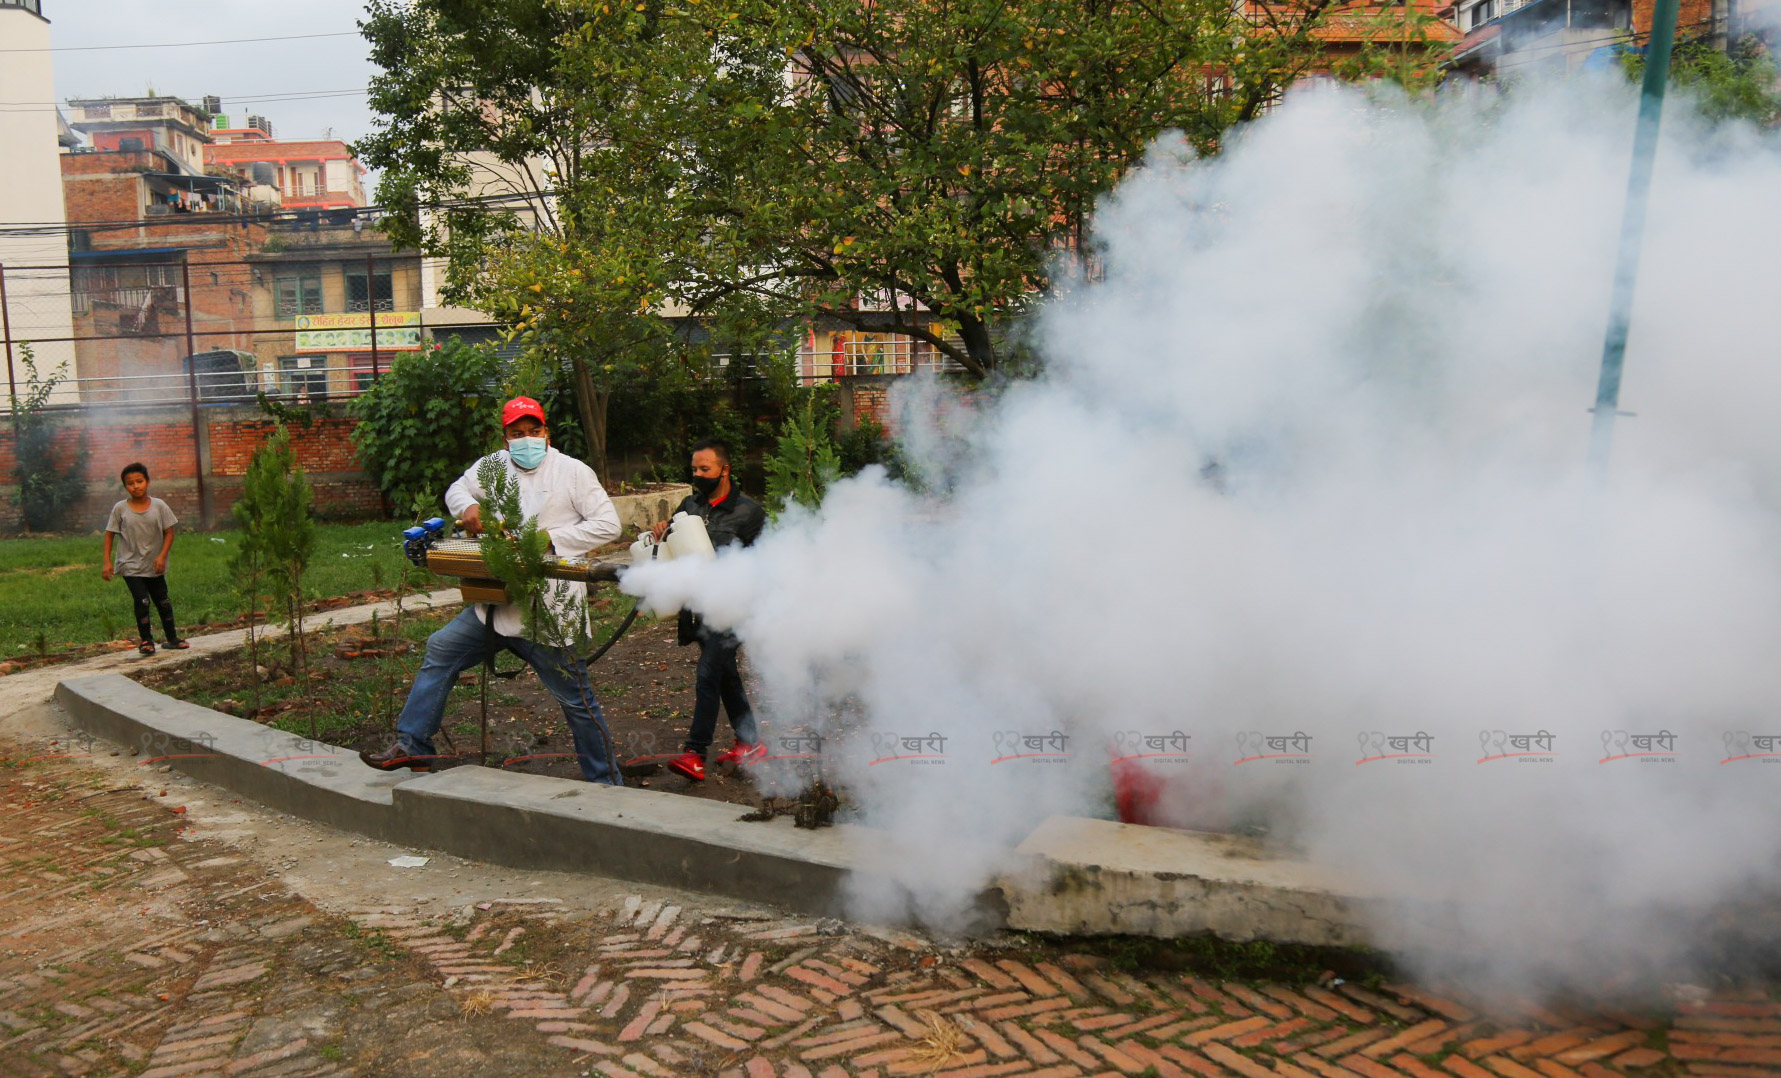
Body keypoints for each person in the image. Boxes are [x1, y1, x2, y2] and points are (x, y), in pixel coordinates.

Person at [361, 396, 624, 784]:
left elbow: (608, 525)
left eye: (535, 432)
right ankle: (413, 745)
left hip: (549, 612)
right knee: (440, 649)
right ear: (505, 439)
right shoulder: (491, 467)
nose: (528, 439)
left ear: (546, 432)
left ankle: (606, 783)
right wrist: (467, 508)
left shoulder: (573, 473)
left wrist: (549, 539)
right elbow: (456, 490)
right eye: (518, 434)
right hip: (495, 605)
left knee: (577, 702)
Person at [651, 438, 768, 782]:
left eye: (705, 469)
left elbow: (766, 563)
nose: (698, 475)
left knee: (708, 674)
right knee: (726, 676)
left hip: (733, 608)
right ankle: (751, 742)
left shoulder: (749, 512)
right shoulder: (690, 504)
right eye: (694, 469)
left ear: (724, 470)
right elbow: (674, 543)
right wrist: (661, 530)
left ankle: (695, 752)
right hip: (698, 607)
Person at [102, 462, 188, 656]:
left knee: (163, 601)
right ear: (125, 486)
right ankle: (146, 641)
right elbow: (109, 535)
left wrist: (162, 556)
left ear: (147, 481)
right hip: (129, 565)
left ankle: (172, 638)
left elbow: (169, 533)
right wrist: (107, 562)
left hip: (154, 564)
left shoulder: (159, 506)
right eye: (130, 483)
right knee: (142, 601)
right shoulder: (120, 509)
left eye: (140, 481)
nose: (136, 486)